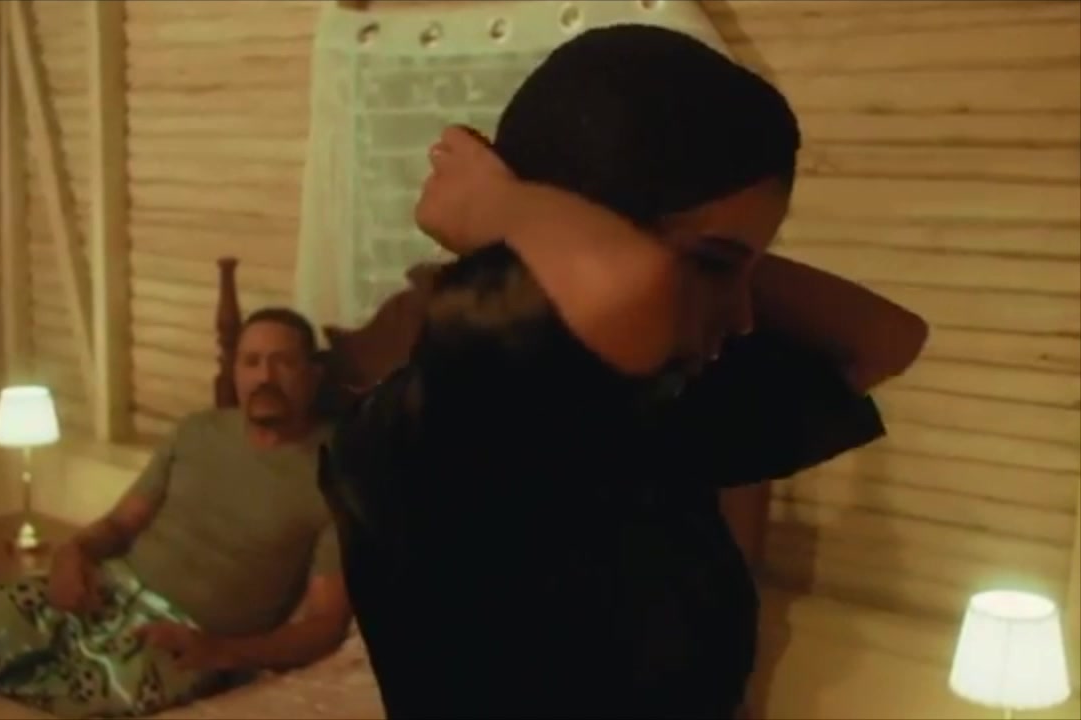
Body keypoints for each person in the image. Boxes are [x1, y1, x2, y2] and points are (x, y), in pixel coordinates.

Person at [319, 25, 928, 720]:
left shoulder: (659, 408)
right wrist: (503, 207)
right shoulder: (425, 433)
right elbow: (629, 284)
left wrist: (724, 259)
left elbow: (885, 340)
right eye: (711, 264)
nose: (744, 317)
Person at [0, 308, 352, 718]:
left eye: (283, 362)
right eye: (251, 361)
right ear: (235, 372)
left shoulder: (338, 476)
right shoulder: (197, 431)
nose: (265, 376)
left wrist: (221, 651)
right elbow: (119, 523)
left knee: (92, 694)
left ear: (313, 376)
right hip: (106, 591)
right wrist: (72, 554)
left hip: (180, 638)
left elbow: (325, 624)